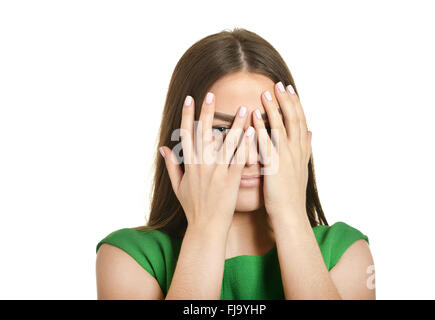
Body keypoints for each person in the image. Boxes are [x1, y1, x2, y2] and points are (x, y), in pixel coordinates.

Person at [95, 28, 375, 300]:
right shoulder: (129, 258)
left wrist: (290, 216)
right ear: (182, 140)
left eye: (267, 130)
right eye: (221, 132)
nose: (250, 157)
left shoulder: (345, 251)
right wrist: (206, 230)